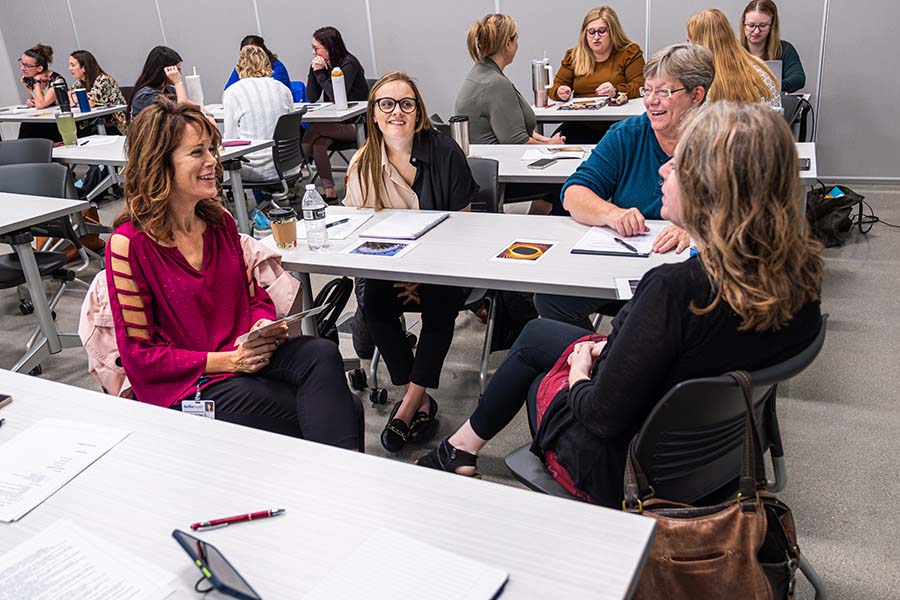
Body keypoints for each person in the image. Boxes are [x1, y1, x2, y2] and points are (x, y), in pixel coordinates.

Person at [417, 101, 824, 508]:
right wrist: (612, 349)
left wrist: (579, 371)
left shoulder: (674, 291)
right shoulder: (799, 276)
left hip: (627, 473)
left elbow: (597, 416)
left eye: (677, 165)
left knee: (545, 379)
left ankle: (464, 451)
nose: (663, 170)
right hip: (726, 461)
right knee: (539, 332)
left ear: (710, 185)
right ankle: (459, 447)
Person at [105, 97, 361, 450]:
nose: (213, 161)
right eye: (197, 153)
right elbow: (139, 356)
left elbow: (254, 297)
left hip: (243, 358)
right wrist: (228, 361)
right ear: (159, 164)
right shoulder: (128, 245)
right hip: (189, 386)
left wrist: (260, 326)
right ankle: (347, 492)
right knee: (346, 407)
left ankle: (341, 491)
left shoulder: (219, 223)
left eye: (211, 149)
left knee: (322, 352)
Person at [343, 72, 479, 453]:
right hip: (389, 266)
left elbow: (464, 225)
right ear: (373, 113)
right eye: (386, 103)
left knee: (440, 305)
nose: (396, 112)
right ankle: (419, 398)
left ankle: (407, 405)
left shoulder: (445, 151)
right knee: (373, 305)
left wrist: (420, 274)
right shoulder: (363, 163)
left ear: (418, 111)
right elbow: (360, 231)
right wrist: (400, 271)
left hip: (444, 264)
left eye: (406, 103)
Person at [534, 43, 714, 330]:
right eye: (647, 90)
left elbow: (747, 214)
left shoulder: (721, 141)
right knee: (553, 299)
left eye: (664, 92)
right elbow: (573, 193)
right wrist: (612, 214)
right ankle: (596, 361)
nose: (651, 101)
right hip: (627, 268)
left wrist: (694, 226)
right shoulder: (627, 135)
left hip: (691, 276)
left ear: (696, 95)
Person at [455, 13, 563, 215]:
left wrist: (547, 144)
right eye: (516, 38)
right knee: (565, 185)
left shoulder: (482, 73)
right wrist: (551, 147)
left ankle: (535, 225)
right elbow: (517, 141)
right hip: (497, 175)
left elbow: (513, 128)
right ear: (508, 44)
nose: (518, 44)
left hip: (488, 169)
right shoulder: (495, 83)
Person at [549, 6, 645, 143]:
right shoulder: (574, 56)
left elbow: (640, 86)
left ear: (613, 32)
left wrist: (616, 90)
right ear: (584, 34)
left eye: (602, 31)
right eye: (591, 32)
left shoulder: (629, 52)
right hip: (582, 122)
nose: (596, 37)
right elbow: (555, 86)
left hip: (619, 124)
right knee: (553, 144)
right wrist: (559, 91)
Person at [304, 26, 369, 201]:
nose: (314, 52)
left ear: (329, 47)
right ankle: (330, 193)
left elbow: (337, 95)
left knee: (314, 131)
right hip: (336, 124)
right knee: (319, 143)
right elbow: (311, 96)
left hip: (358, 124)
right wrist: (314, 71)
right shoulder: (323, 64)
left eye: (317, 48)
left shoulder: (349, 63)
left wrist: (321, 74)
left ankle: (299, 165)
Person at [223, 45, 295, 182]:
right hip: (289, 164)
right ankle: (270, 201)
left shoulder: (232, 92)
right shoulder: (283, 89)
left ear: (238, 68)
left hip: (255, 168)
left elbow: (231, 140)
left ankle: (259, 202)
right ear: (267, 64)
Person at [687, 9, 781, 108]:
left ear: (701, 44)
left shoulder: (704, 84)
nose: (688, 47)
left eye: (690, 42)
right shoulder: (761, 70)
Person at [740, 0, 806, 93]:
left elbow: (798, 78)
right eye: (751, 26)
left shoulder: (784, 49)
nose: (756, 31)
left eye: (763, 26)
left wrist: (770, 87)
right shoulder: (731, 50)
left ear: (772, 26)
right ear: (743, 24)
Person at [68, 50, 128, 135]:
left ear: (84, 67)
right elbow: (69, 101)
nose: (69, 68)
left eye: (73, 65)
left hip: (115, 125)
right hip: (93, 125)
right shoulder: (79, 83)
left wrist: (78, 98)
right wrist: (79, 98)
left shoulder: (103, 80)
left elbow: (89, 103)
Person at [17, 44, 66, 140]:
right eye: (21, 63)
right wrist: (30, 101)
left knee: (31, 127)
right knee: (26, 124)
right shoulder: (27, 79)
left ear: (39, 68)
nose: (22, 68)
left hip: (56, 121)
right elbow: (36, 99)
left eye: (26, 65)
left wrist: (36, 82)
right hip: (41, 119)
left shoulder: (57, 80)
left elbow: (41, 104)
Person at [129, 46, 193, 119]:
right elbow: (182, 113)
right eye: (176, 71)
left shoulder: (168, 89)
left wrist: (201, 110)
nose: (179, 74)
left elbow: (188, 105)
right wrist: (178, 82)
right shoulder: (145, 96)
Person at [223, 35, 292, 93]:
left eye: (254, 53)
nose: (250, 57)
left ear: (262, 53)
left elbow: (273, 93)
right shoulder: (241, 67)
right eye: (246, 54)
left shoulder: (276, 67)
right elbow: (227, 93)